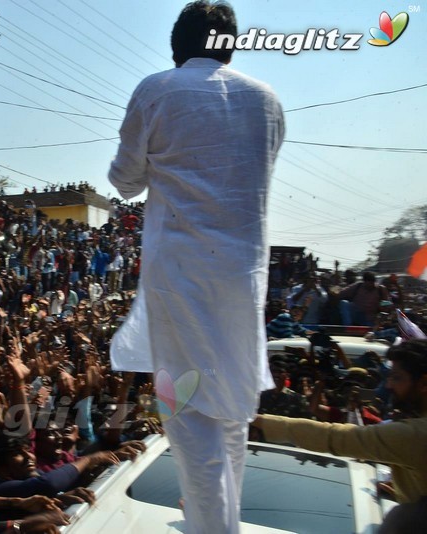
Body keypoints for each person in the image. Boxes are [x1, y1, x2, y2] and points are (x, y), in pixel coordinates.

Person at [107, 2, 285, 532]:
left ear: (177, 47)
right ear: (229, 44)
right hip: (244, 275)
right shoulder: (268, 101)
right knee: (231, 406)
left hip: (180, 275)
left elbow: (125, 181)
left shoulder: (156, 90)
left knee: (186, 415)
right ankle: (222, 521)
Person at [253, 339, 427, 505]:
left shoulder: (414, 435)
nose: (389, 386)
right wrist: (406, 493)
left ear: (424, 382)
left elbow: (333, 436)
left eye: (397, 377)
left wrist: (257, 421)